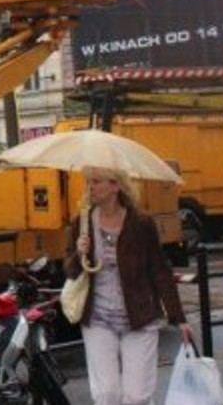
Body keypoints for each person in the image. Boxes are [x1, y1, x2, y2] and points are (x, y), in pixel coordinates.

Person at [65, 166, 194, 405]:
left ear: (115, 186)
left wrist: (179, 317)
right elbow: (71, 271)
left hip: (140, 317)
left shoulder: (141, 223)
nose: (90, 187)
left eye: (97, 181)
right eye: (88, 181)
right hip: (98, 319)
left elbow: (160, 271)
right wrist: (79, 253)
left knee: (137, 397)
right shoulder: (81, 222)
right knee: (107, 395)